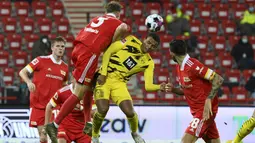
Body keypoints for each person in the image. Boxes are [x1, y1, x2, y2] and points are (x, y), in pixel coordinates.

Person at [45, 1, 129, 142]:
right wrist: (117, 44)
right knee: (78, 93)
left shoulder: (97, 19)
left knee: (89, 87)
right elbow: (124, 27)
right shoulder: (117, 22)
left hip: (77, 49)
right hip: (89, 54)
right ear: (119, 14)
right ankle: (54, 124)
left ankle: (88, 123)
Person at [92, 33, 170, 143]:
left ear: (155, 48)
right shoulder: (130, 40)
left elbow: (148, 86)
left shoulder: (149, 63)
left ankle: (135, 133)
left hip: (119, 84)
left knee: (130, 112)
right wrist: (103, 73)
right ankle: (95, 136)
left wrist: (159, 87)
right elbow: (108, 52)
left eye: (153, 46)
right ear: (144, 39)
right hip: (105, 77)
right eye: (148, 42)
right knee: (103, 109)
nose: (149, 46)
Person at [167, 40, 224, 143]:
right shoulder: (179, 67)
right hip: (197, 111)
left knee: (185, 141)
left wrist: (208, 99)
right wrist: (173, 89)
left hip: (205, 111)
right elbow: (186, 90)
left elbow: (218, 79)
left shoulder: (193, 65)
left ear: (172, 53)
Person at [19, 36, 68, 143]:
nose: (60, 48)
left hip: (54, 107)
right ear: (52, 48)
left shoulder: (65, 67)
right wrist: (28, 82)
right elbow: (22, 72)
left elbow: (64, 85)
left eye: (62, 46)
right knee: (43, 138)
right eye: (58, 46)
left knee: (56, 138)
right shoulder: (40, 60)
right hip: (38, 106)